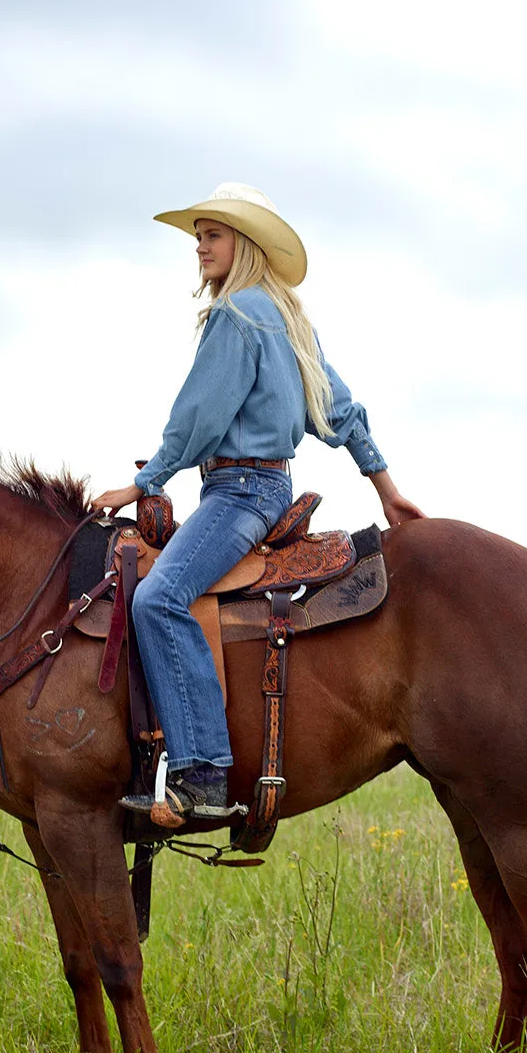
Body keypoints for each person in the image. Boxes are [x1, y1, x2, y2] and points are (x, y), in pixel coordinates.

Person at [92, 183, 425, 824]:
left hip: (238, 493)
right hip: (270, 488)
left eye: (212, 235)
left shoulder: (237, 316)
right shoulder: (286, 318)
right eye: (198, 236)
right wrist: (384, 486)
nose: (199, 247)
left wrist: (148, 480)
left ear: (242, 243)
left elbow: (198, 418)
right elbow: (339, 410)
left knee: (157, 598)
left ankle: (203, 775)